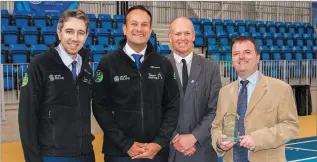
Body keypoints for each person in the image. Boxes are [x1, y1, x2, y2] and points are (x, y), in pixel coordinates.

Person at [92, 5, 180, 162]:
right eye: (134, 24)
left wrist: (159, 142)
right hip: (119, 153)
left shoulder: (163, 64)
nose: (139, 29)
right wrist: (125, 144)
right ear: (125, 29)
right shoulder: (108, 63)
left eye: (144, 24)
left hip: (156, 153)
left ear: (151, 29)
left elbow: (172, 106)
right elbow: (99, 107)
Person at [18, 9, 95, 162]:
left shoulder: (86, 68)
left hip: (85, 154)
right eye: (69, 31)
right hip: (52, 155)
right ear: (59, 33)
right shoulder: (40, 64)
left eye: (80, 32)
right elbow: (27, 117)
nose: (75, 38)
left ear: (86, 36)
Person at [211, 36, 300, 162]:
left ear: (258, 57)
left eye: (247, 52)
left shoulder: (281, 89)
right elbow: (216, 127)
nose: (241, 57)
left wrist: (258, 139)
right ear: (232, 59)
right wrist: (219, 141)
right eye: (236, 53)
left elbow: (290, 126)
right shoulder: (224, 92)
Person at [166, 17, 221, 162]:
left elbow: (215, 109)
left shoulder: (211, 68)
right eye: (177, 34)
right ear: (170, 37)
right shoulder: (158, 67)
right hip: (169, 151)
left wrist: (194, 137)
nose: (182, 38)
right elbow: (155, 109)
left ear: (194, 36)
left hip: (202, 150)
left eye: (187, 33)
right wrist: (176, 138)